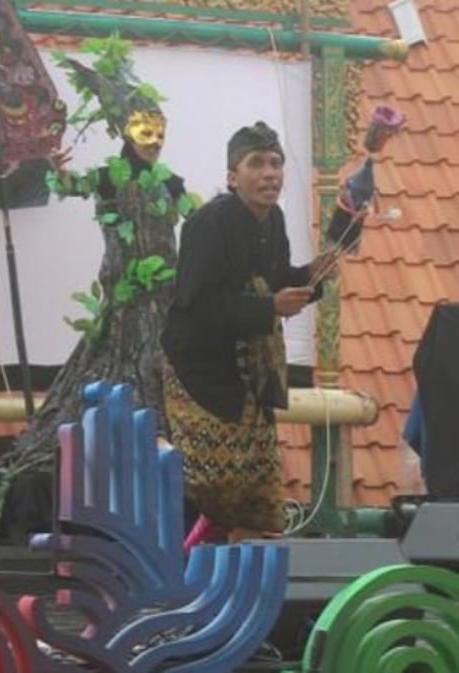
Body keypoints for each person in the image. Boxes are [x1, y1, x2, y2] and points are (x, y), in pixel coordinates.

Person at [161, 121, 336, 544]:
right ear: (231, 176)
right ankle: (189, 565)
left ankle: (238, 568)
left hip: (248, 378)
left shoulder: (272, 220)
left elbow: (275, 283)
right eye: (256, 164)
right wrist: (270, 306)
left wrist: (315, 276)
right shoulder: (208, 222)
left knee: (254, 488)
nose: (270, 173)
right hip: (200, 373)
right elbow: (197, 302)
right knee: (207, 484)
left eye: (275, 163)